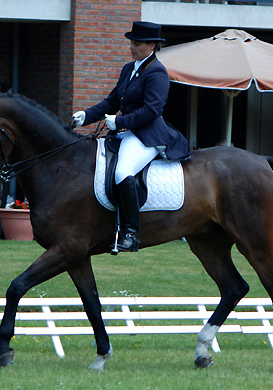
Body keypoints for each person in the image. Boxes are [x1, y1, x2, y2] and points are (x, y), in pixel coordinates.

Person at [72, 21, 190, 252]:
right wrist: (85, 116)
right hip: (126, 133)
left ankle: (130, 233)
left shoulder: (157, 72)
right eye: (131, 43)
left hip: (148, 135)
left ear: (151, 45)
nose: (131, 47)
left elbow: (152, 110)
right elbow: (112, 102)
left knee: (122, 172)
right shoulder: (129, 68)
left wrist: (120, 121)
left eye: (136, 44)